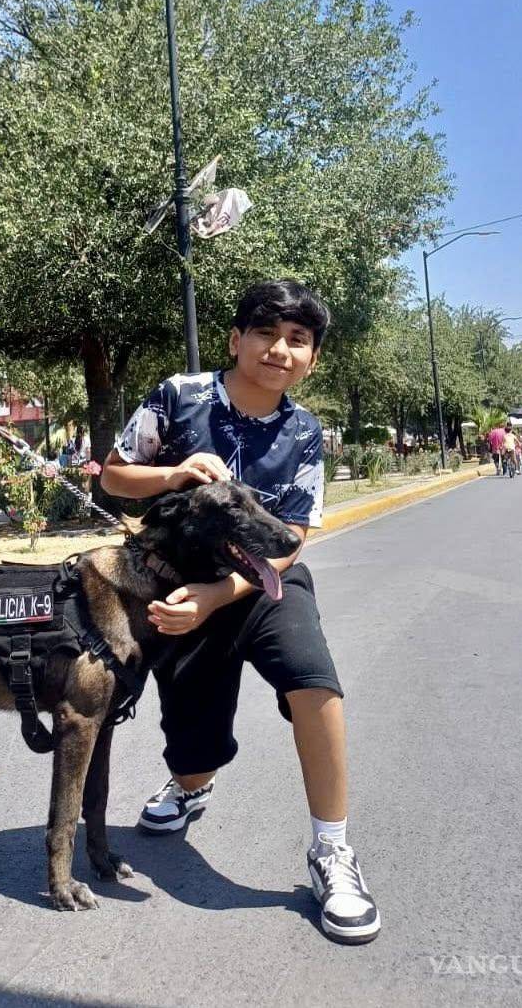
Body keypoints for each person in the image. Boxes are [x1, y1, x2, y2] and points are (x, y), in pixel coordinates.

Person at [100, 279, 380, 945]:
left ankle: (332, 851)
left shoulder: (306, 432)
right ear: (235, 339)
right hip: (172, 582)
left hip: (259, 586)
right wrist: (170, 475)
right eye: (266, 333)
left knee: (314, 684)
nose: (279, 349)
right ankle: (188, 786)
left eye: (297, 340)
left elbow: (291, 539)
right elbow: (112, 476)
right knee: (195, 748)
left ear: (311, 358)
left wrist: (220, 596)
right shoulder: (177, 397)